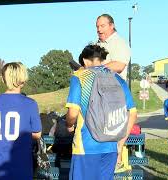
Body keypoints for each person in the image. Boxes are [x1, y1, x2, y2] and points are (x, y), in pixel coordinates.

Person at [65, 44, 137, 180]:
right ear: (102, 60)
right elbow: (132, 113)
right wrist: (120, 146)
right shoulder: (118, 79)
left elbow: (73, 113)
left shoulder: (79, 77)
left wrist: (69, 125)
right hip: (111, 147)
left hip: (86, 146)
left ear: (85, 61)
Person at [0, 62, 42, 180]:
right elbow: (37, 134)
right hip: (19, 163)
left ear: (3, 79)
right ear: (23, 78)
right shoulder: (30, 104)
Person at [96, 14, 131, 80]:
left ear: (112, 26)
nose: (99, 29)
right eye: (97, 27)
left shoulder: (119, 42)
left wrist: (93, 70)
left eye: (102, 26)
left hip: (113, 88)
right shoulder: (97, 44)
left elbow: (119, 65)